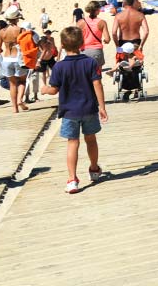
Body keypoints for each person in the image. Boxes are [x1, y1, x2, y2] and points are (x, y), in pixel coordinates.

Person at [42, 26, 108, 194]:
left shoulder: (59, 67)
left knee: (73, 143)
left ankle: (72, 179)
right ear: (82, 43)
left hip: (69, 111)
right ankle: (94, 169)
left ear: (62, 45)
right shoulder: (90, 62)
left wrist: (44, 90)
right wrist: (102, 106)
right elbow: (97, 84)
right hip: (89, 108)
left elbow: (54, 89)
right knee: (91, 139)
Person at [0, 9, 30, 113]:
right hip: (18, 58)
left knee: (12, 84)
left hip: (6, 59)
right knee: (22, 81)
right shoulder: (21, 30)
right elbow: (27, 44)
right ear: (17, 18)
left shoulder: (1, 32)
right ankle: (19, 100)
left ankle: (15, 108)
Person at [78, 1, 111, 70]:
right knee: (97, 76)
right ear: (97, 10)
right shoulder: (102, 22)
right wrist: (105, 41)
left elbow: (76, 38)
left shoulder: (80, 22)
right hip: (96, 51)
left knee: (84, 75)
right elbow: (107, 39)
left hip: (83, 50)